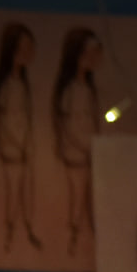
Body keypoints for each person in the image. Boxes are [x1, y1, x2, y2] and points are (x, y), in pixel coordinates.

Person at [51, 27, 104, 255]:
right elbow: (69, 128)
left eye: (96, 53)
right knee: (78, 197)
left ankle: (86, 240)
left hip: (90, 153)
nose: (93, 59)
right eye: (87, 54)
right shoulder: (70, 90)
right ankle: (72, 240)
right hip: (77, 154)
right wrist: (87, 147)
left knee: (89, 197)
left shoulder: (88, 88)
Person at [0, 23, 41, 253]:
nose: (28, 53)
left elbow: (25, 119)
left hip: (24, 147)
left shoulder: (23, 83)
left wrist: (28, 143)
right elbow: (4, 122)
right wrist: (15, 144)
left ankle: (27, 229)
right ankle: (8, 235)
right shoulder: (7, 85)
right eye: (23, 48)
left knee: (26, 190)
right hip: (12, 148)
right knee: (13, 191)